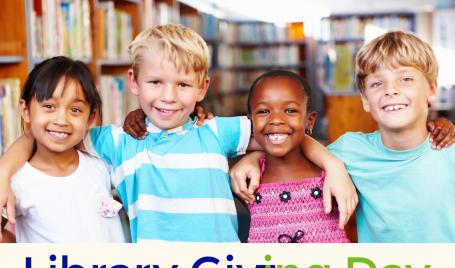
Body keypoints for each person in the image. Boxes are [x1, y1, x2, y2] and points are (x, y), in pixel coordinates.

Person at [1, 24, 356, 243]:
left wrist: (333, 166)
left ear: (203, 88)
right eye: (156, 82)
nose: (169, 97)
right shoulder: (117, 142)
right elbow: (48, 131)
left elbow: (280, 132)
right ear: (134, 82)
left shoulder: (215, 131)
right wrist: (4, 172)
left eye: (183, 85)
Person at [230, 31, 455, 242]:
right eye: (377, 83)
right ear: (365, 99)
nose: (391, 90)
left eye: (405, 79)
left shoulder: (449, 151)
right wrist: (256, 155)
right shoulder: (350, 151)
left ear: (432, 90)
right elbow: (292, 145)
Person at [0, 56, 127, 242]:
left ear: (90, 117)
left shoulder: (102, 162)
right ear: (26, 110)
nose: (61, 120)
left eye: (75, 110)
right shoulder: (16, 183)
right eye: (49, 106)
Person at [245, 70, 349, 243]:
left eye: (290, 110)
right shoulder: (247, 182)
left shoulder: (332, 176)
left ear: (309, 120)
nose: (276, 120)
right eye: (263, 111)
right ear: (250, 122)